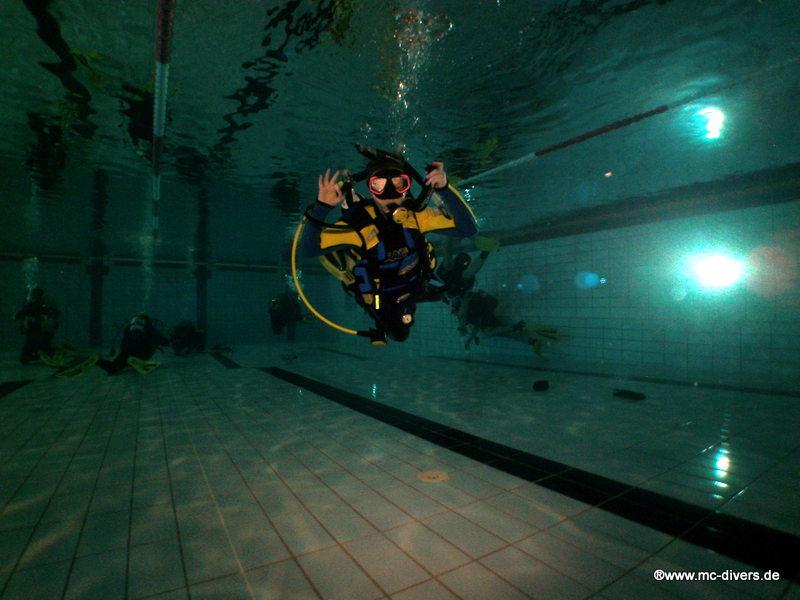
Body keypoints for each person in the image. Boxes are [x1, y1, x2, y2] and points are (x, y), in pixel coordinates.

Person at [302, 148, 477, 343]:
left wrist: (444, 188)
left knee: (420, 312)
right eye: (379, 185)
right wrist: (322, 207)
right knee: (398, 332)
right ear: (370, 188)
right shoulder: (359, 227)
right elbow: (309, 249)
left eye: (398, 183)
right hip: (383, 294)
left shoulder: (416, 217)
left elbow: (468, 228)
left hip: (416, 284)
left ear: (406, 187)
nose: (389, 194)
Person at [97, 313, 170, 375]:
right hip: (143, 352)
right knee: (139, 352)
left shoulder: (128, 328)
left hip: (127, 351)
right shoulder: (150, 328)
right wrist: (168, 342)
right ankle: (136, 360)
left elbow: (124, 342)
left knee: (115, 366)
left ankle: (99, 361)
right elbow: (164, 342)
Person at [14, 287, 60, 363]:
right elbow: (55, 314)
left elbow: (21, 314)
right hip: (38, 329)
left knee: (37, 343)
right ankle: (40, 354)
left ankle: (39, 354)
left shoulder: (40, 304)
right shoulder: (42, 304)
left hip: (38, 329)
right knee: (38, 343)